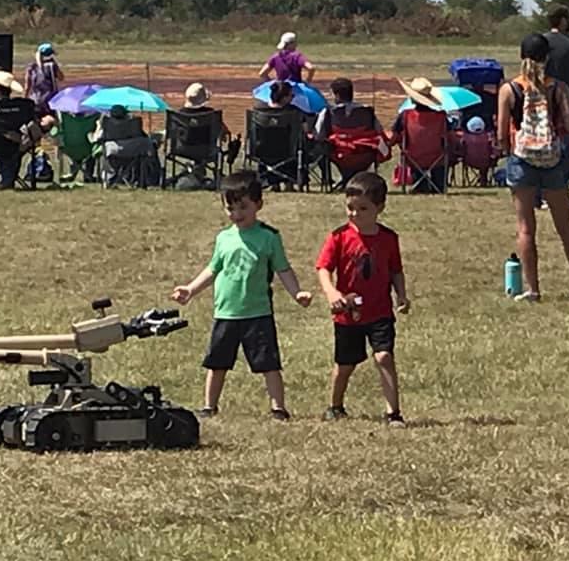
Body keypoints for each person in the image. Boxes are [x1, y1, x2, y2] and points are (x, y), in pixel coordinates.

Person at [170, 170, 312, 421]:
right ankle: (209, 406)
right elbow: (213, 269)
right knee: (217, 363)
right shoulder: (224, 238)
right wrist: (191, 289)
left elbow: (283, 269)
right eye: (230, 208)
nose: (236, 214)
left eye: (243, 207)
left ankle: (278, 408)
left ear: (258, 204)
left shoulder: (269, 237)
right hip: (226, 313)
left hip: (258, 313)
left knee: (269, 364)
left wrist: (297, 292)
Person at [497, 34, 569, 302]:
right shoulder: (558, 87)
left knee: (526, 227)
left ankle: (533, 289)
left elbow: (502, 133)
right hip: (553, 160)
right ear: (547, 57)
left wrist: (509, 149)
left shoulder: (510, 89)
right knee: (565, 225)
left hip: (521, 160)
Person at [316, 172, 410, 426]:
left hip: (380, 312)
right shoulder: (339, 237)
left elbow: (395, 270)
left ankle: (393, 413)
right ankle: (335, 406)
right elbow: (323, 268)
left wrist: (401, 295)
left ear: (379, 208)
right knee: (345, 365)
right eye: (350, 208)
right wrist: (332, 293)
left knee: (384, 357)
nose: (354, 214)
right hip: (347, 315)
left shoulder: (389, 239)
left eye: (362, 209)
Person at [392, 77, 451, 193]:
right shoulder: (441, 117)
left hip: (413, 157)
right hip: (437, 157)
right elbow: (450, 136)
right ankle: (436, 185)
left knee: (413, 155)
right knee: (445, 153)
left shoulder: (405, 115)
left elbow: (394, 136)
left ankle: (421, 184)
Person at [24, 43, 64, 130]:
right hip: (50, 98)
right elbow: (61, 77)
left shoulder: (31, 67)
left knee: (37, 119)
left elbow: (27, 86)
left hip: (36, 98)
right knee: (52, 119)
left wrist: (25, 97)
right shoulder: (52, 66)